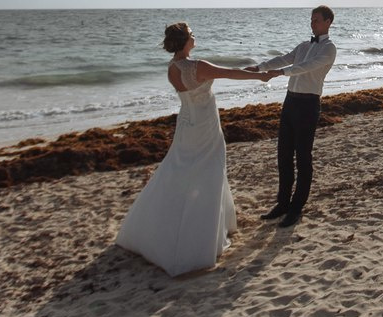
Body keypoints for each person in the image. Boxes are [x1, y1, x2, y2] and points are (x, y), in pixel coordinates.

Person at [116, 22, 279, 276]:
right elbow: (229, 74)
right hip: (205, 126)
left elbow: (228, 71)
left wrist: (244, 71)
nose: (195, 37)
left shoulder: (173, 68)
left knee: (179, 169)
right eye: (192, 35)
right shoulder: (197, 66)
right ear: (184, 41)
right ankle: (201, 237)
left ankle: (164, 226)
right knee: (209, 171)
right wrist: (260, 76)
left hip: (186, 124)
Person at [246, 5, 337, 228]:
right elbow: (285, 58)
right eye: (311, 19)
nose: (312, 23)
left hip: (308, 104)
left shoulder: (329, 49)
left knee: (303, 157)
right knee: (284, 155)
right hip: (290, 101)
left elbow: (307, 67)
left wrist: (279, 73)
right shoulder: (304, 45)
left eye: (316, 20)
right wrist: (260, 67)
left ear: (327, 22)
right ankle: (283, 203)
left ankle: (296, 208)